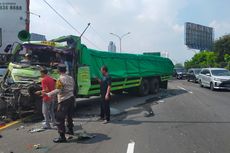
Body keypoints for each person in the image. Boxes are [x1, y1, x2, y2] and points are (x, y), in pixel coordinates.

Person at [46, 64, 75, 143]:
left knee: (59, 118)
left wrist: (49, 94)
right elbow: (73, 87)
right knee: (69, 116)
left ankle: (62, 137)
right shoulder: (70, 78)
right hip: (71, 98)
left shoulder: (60, 79)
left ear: (58, 71)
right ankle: (70, 130)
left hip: (64, 100)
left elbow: (58, 90)